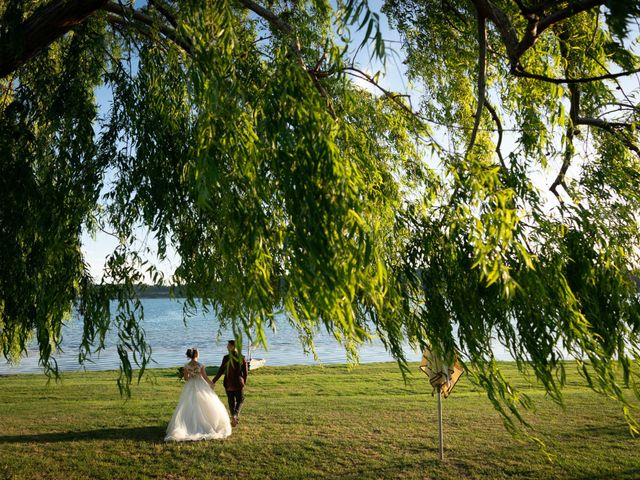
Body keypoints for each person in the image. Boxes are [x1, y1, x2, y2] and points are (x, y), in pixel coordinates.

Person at [165, 348, 232, 441]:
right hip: (201, 384)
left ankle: (189, 424)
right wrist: (211, 383)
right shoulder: (200, 365)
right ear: (196, 355)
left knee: (189, 404)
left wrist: (190, 375)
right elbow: (204, 377)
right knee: (206, 403)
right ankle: (206, 424)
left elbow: (186, 378)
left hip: (191, 385)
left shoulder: (186, 366)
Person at [212, 340, 248, 427]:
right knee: (240, 400)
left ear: (233, 346)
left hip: (228, 383)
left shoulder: (226, 358)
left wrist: (214, 380)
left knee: (231, 401)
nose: (227, 347)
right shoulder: (242, 357)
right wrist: (244, 381)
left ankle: (233, 416)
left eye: (228, 345)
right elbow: (246, 372)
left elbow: (221, 370)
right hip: (238, 383)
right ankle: (235, 415)